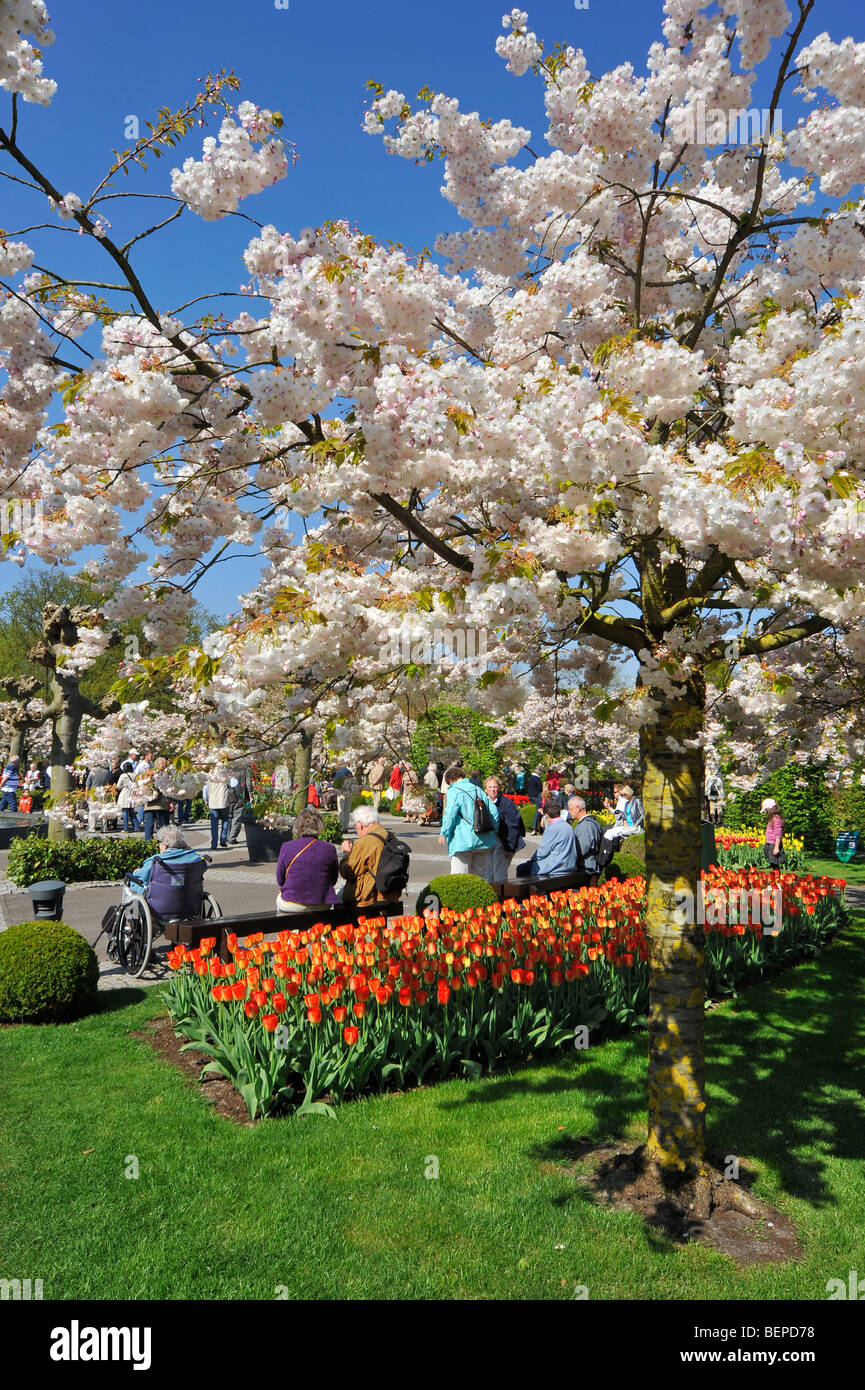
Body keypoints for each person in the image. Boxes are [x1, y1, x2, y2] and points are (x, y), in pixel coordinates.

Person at [127, 825, 206, 914]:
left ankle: (130, 920)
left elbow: (141, 877)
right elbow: (203, 867)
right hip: (190, 906)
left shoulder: (156, 861)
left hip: (159, 908)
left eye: (159, 842)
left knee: (130, 885)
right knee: (178, 881)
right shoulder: (195, 859)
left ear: (164, 846)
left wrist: (136, 872)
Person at [439, 765, 499, 882]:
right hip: (483, 839)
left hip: (463, 840)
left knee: (459, 878)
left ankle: (460, 901)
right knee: (478, 879)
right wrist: (492, 828)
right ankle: (477, 900)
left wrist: (444, 832)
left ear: (450, 780)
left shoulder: (454, 790)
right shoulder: (478, 789)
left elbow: (450, 813)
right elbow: (494, 812)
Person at [275, 809, 340, 913]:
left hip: (292, 901)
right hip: (322, 902)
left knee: (279, 898)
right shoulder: (329, 848)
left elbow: (280, 880)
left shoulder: (287, 847)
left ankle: (290, 928)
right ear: (319, 825)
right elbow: (333, 879)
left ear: (297, 825)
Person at [339, 805, 403, 907]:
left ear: (360, 824)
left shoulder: (365, 842)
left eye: (355, 825)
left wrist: (347, 853)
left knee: (337, 898)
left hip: (369, 897)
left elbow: (347, 871)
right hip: (391, 894)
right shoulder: (391, 836)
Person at [517, 795, 578, 878]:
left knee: (521, 868)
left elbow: (542, 852)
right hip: (570, 865)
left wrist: (531, 860)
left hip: (556, 867)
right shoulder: (569, 827)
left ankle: (527, 891)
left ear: (547, 815)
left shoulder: (552, 828)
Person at [485, 774, 525, 882]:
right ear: (485, 789)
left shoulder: (507, 803)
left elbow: (513, 826)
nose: (493, 790)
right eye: (490, 787)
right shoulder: (483, 803)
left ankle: (501, 895)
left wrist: (510, 848)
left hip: (504, 841)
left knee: (499, 873)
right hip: (488, 842)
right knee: (488, 871)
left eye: (495, 787)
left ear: (499, 788)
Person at [568, 796, 603, 882]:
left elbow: (581, 849)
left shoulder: (585, 825)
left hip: (586, 869)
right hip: (590, 867)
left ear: (578, 808)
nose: (569, 811)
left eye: (570, 809)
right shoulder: (593, 823)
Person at [140, 757, 170, 843]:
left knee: (149, 826)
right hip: (161, 805)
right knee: (163, 827)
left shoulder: (148, 773)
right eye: (165, 763)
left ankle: (148, 844)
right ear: (160, 765)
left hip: (149, 804)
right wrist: (170, 801)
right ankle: (164, 844)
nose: (166, 765)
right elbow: (166, 790)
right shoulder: (164, 775)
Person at [204, 760, 231, 850]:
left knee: (214, 823)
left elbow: (205, 790)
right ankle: (223, 840)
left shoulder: (210, 776)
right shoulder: (225, 774)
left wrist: (206, 800)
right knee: (225, 820)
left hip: (213, 802)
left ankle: (214, 843)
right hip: (224, 801)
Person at [116, 759, 140, 833]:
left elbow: (118, 786)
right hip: (132, 793)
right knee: (132, 811)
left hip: (125, 792)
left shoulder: (123, 775)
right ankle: (136, 827)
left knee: (125, 811)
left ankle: (126, 828)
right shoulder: (135, 775)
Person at [762, 798, 785, 870]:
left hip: (774, 844)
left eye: (766, 810)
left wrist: (776, 847)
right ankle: (775, 879)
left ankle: (777, 879)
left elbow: (778, 834)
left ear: (770, 809)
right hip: (769, 843)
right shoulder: (772, 818)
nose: (765, 812)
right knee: (772, 863)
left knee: (775, 864)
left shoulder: (776, 819)